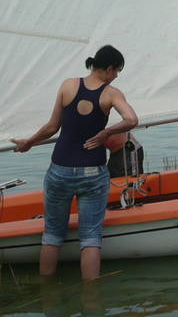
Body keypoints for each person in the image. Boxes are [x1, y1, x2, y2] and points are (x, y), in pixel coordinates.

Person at [12, 45, 139, 280]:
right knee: (90, 238)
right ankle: (91, 295)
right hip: (92, 172)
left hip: (60, 169)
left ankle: (46, 289)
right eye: (117, 71)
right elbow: (131, 119)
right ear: (109, 69)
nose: (117, 76)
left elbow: (52, 127)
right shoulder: (111, 93)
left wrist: (28, 143)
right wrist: (106, 133)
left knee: (52, 235)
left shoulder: (68, 85)